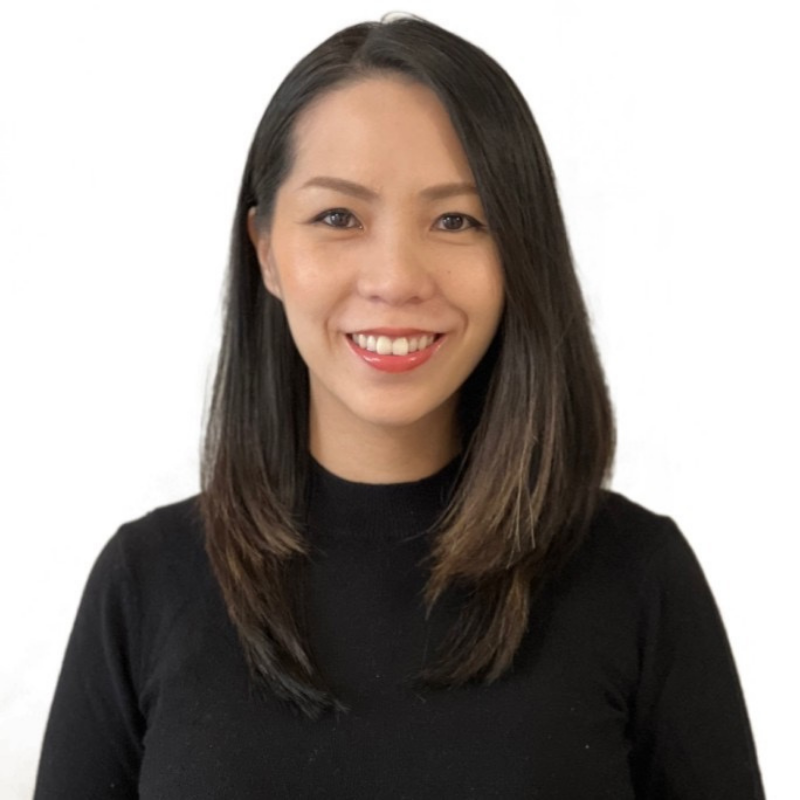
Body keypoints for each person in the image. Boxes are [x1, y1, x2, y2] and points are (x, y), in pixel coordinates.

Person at [33, 13, 764, 799]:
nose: (396, 278)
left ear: (519, 249)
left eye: (457, 219)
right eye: (338, 217)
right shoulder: (146, 586)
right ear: (266, 250)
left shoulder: (637, 580)